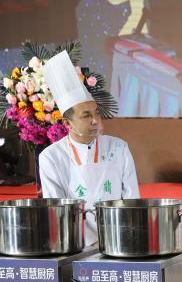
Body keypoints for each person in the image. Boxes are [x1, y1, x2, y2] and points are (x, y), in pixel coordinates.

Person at [39, 50, 139, 245]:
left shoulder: (118, 147)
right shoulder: (51, 157)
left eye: (96, 113)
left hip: (119, 240)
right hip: (75, 243)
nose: (95, 120)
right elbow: (56, 210)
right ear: (67, 124)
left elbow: (132, 199)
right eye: (86, 116)